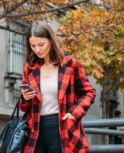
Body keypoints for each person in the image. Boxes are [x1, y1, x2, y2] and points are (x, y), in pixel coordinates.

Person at [19, 21, 96, 153]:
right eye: (33, 45)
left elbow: (89, 92)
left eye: (41, 45)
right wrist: (25, 98)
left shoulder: (71, 65)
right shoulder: (30, 68)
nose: (37, 49)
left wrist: (74, 113)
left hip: (62, 128)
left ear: (50, 40)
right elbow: (23, 107)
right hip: (35, 131)